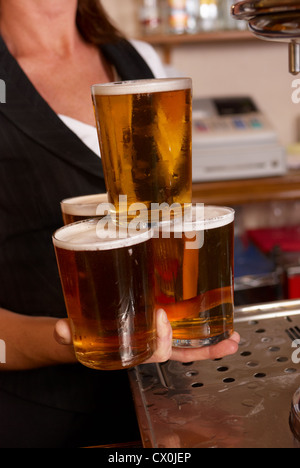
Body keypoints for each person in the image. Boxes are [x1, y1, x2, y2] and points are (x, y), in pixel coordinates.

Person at [0, 0, 240, 448]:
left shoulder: (139, 59)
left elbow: (171, 224)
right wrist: (69, 341)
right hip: (48, 422)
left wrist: (184, 317)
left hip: (164, 405)